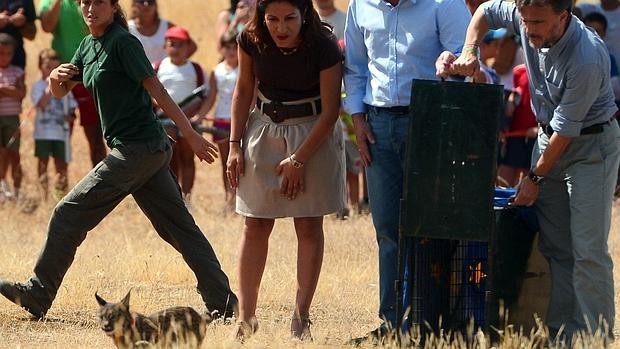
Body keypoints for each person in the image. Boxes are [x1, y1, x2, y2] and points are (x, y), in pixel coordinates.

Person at [0, 0, 238, 322]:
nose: (90, 8)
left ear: (113, 8)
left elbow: (158, 91)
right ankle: (223, 303)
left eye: (99, 2)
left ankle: (38, 293)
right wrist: (57, 77)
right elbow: (61, 91)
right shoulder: (87, 45)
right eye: (85, 2)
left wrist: (191, 135)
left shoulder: (123, 42)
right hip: (144, 152)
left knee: (67, 213)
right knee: (181, 230)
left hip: (138, 150)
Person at [441, 0, 620, 339]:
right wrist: (469, 51)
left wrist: (535, 177)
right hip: (548, 138)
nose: (530, 29)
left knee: (588, 251)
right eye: (525, 21)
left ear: (563, 16)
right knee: (556, 247)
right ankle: (562, 336)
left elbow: (568, 130)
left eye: (539, 22)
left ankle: (594, 338)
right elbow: (483, 12)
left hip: (590, 147)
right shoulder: (523, 14)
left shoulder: (586, 56)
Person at [343, 0, 470, 342]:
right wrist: (357, 118)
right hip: (377, 124)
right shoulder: (361, 5)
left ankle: (432, 322)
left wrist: (453, 66)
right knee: (387, 228)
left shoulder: (445, 3)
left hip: (432, 119)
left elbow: (466, 58)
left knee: (432, 226)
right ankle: (392, 323)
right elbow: (355, 67)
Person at [227, 0, 345, 339]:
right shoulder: (250, 39)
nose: (281, 27)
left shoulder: (324, 45)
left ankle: (300, 319)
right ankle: (246, 320)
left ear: (304, 14)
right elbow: (243, 90)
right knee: (255, 224)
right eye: (273, 19)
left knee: (308, 224)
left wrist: (298, 160)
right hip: (263, 128)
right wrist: (234, 146)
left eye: (290, 18)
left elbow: (331, 109)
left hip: (313, 132)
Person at [39, 0, 107, 168]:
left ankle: (100, 188)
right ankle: (62, 188)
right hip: (62, 76)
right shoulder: (49, 2)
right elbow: (47, 26)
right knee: (59, 137)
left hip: (91, 74)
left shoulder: (91, 3)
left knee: (96, 136)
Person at [154, 26, 206, 205]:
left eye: (180, 45)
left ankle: (187, 196)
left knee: (187, 157)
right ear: (165, 46)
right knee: (171, 156)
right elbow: (151, 93)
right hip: (165, 119)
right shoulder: (158, 67)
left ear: (188, 47)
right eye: (171, 44)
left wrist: (196, 114)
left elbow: (203, 95)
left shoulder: (196, 69)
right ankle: (173, 195)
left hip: (189, 121)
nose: (175, 49)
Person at [192, 29, 239, 211]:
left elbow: (250, 97)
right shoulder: (217, 71)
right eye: (227, 47)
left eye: (234, 47)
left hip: (239, 121)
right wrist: (200, 117)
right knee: (226, 162)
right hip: (220, 119)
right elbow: (211, 97)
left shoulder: (246, 68)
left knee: (241, 161)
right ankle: (229, 198)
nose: (231, 51)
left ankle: (240, 199)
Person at [32, 49, 77, 201]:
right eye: (47, 67)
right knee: (42, 163)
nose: (50, 70)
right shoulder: (38, 86)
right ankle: (44, 195)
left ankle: (61, 197)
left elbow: (72, 112)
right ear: (40, 66)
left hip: (60, 133)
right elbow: (42, 104)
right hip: (43, 133)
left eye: (54, 68)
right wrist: (50, 84)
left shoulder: (65, 89)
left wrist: (69, 117)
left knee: (61, 165)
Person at [497, 64, 538, 187]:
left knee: (526, 174)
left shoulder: (551, 70)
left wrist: (541, 128)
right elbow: (516, 91)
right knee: (504, 174)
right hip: (515, 132)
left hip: (535, 134)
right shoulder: (518, 70)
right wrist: (511, 100)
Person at [128, 0, 196, 64]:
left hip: (164, 74)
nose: (146, 4)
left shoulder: (167, 26)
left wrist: (176, 63)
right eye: (141, 1)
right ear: (134, 5)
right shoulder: (127, 28)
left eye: (150, 1)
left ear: (156, 5)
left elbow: (192, 47)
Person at [0, 33, 25, 200]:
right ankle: (2, 188)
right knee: (1, 153)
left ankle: (16, 192)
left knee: (14, 154)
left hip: (13, 118)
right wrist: (10, 89)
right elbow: (15, 92)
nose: (5, 57)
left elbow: (21, 93)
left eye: (9, 54)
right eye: (1, 53)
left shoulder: (17, 71)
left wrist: (2, 88)